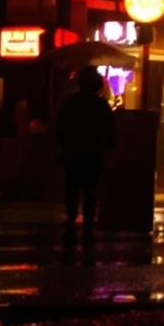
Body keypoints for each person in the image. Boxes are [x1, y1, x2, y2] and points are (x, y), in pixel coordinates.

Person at [56, 67, 117, 233]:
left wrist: (62, 146)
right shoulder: (101, 105)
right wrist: (110, 147)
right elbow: (110, 129)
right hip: (94, 151)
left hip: (73, 151)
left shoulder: (69, 103)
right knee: (91, 188)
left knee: (72, 186)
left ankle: (71, 216)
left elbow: (60, 128)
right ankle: (88, 219)